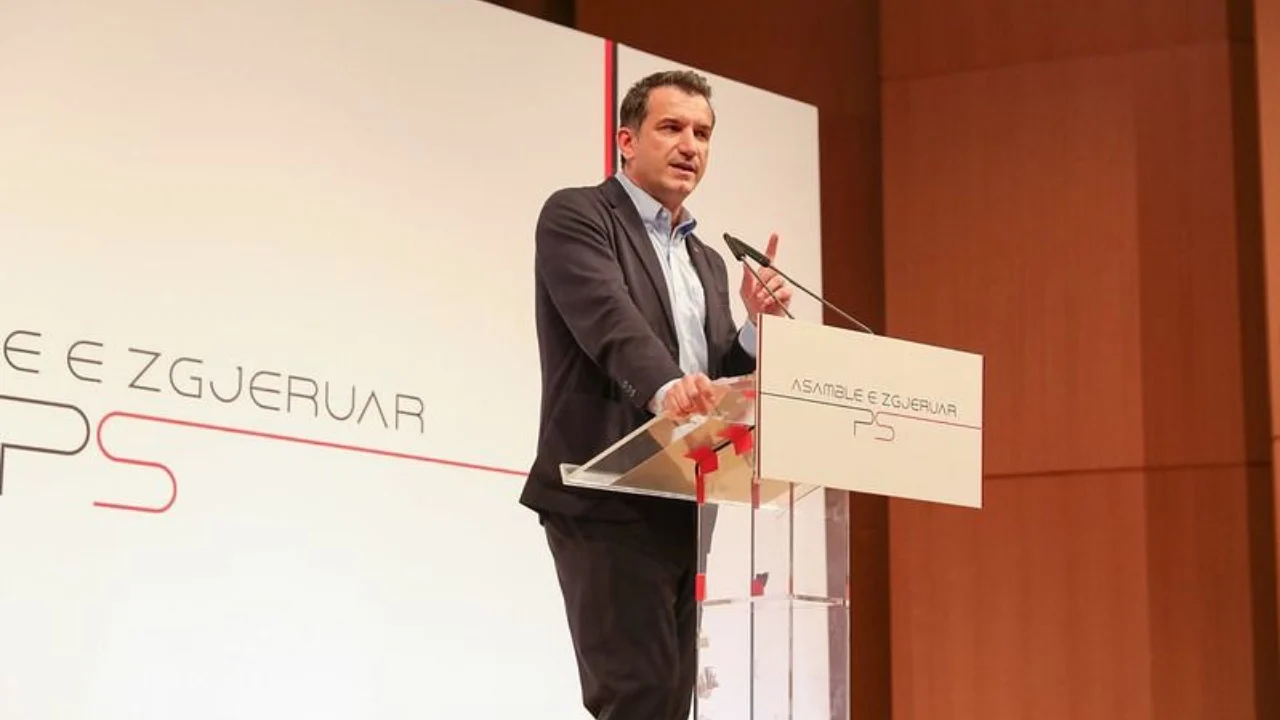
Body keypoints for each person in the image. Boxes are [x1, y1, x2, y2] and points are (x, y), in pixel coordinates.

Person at [520, 69, 793, 720]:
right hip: (605, 491)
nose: (689, 145)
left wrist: (756, 329)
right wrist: (668, 389)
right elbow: (608, 319)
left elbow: (714, 374)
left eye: (702, 133)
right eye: (671, 128)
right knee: (635, 694)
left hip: (684, 498)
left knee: (670, 699)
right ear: (627, 140)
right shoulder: (580, 215)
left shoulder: (707, 260)